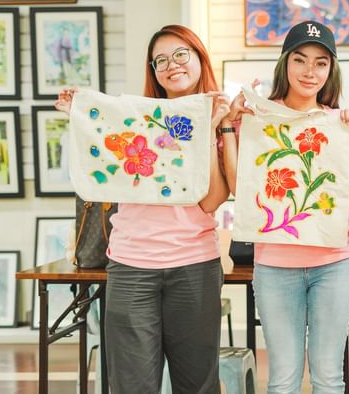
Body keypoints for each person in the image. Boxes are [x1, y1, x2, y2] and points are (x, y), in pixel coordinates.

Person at [55, 24, 231, 394]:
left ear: (200, 59)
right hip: (131, 266)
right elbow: (98, 149)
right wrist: (81, 113)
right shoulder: (133, 120)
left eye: (180, 55)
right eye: (160, 60)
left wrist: (209, 128)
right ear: (153, 70)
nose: (171, 65)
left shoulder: (221, 118)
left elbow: (212, 201)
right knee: (131, 386)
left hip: (194, 265)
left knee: (198, 385)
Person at [220, 20, 349, 394]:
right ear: (285, 62)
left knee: (328, 376)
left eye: (321, 62)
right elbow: (238, 187)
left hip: (336, 261)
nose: (309, 71)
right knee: (283, 378)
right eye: (300, 59)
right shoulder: (259, 119)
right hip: (275, 263)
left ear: (331, 70)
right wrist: (230, 126)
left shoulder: (340, 123)